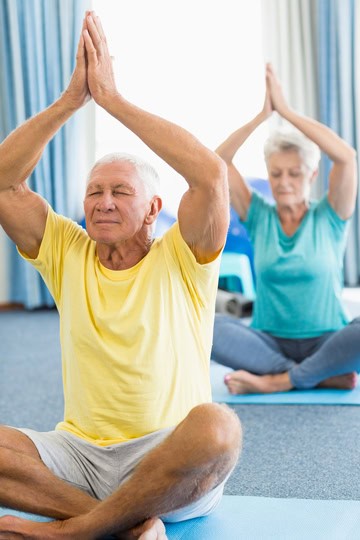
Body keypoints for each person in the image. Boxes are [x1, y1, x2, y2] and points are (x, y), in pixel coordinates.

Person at [0, 11, 241, 540]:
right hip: (78, 456)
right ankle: (123, 524)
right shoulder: (67, 250)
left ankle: (73, 531)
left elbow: (210, 174)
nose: (103, 203)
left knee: (219, 428)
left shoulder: (184, 255)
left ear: (154, 208)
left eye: (120, 192)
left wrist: (112, 100)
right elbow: (4, 183)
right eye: (94, 192)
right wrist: (70, 103)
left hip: (167, 461)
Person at [211, 63, 360, 396]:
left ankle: (278, 381)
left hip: (328, 340)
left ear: (310, 175)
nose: (284, 183)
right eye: (276, 174)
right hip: (269, 343)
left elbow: (347, 157)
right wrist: (261, 118)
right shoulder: (259, 215)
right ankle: (315, 376)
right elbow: (217, 160)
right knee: (207, 328)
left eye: (294, 174)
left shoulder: (330, 215)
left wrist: (287, 111)